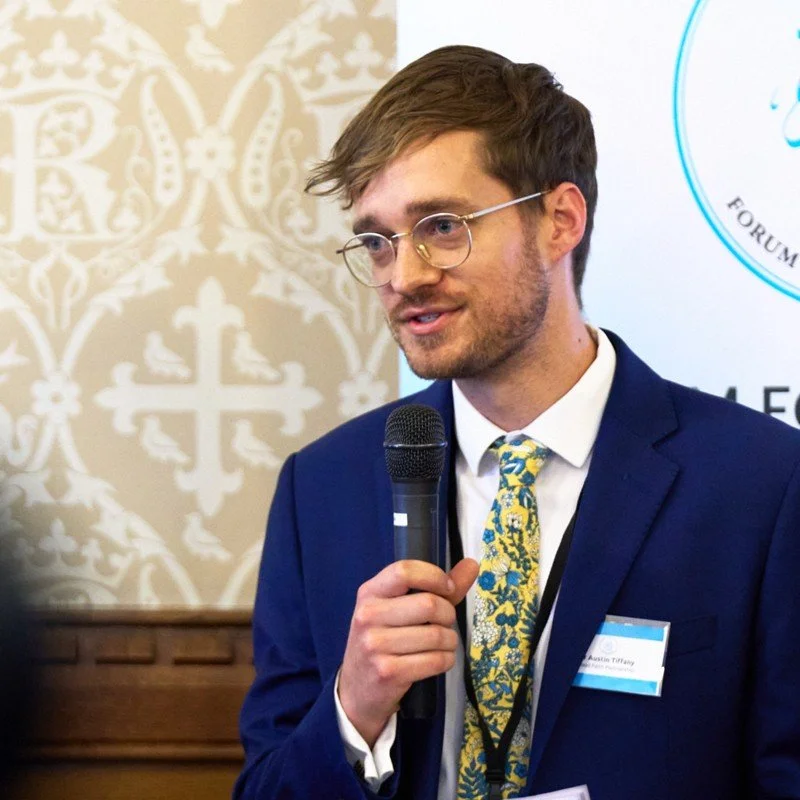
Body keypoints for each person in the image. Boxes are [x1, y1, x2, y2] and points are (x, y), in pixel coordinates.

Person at [235, 45, 800, 799]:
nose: (403, 276)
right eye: (377, 241)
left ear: (559, 220)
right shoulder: (323, 489)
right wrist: (355, 707)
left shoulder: (763, 485)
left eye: (441, 225)